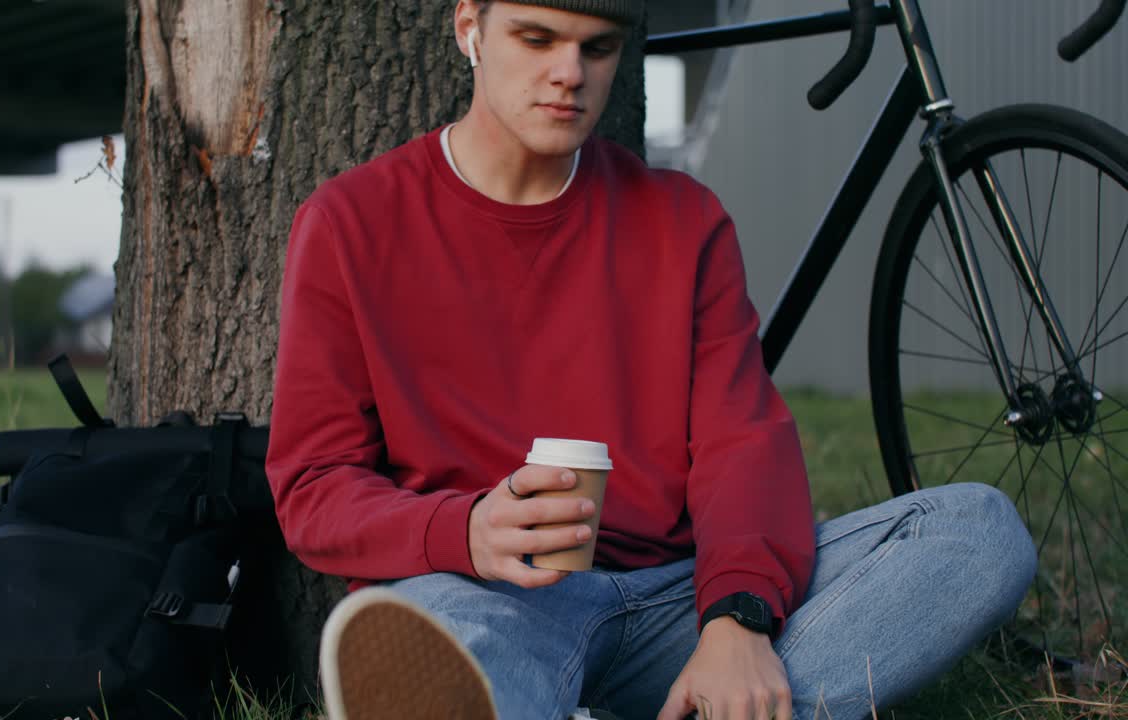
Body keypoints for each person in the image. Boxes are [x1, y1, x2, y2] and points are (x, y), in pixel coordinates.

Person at [265, 1, 1038, 718]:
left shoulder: (681, 220)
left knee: (974, 532)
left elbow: (743, 444)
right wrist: (464, 530)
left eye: (597, 48)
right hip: (488, 595)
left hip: (677, 598)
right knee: (444, 644)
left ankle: (695, 693)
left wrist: (737, 617)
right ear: (470, 25)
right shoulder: (350, 224)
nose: (570, 73)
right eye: (536, 39)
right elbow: (312, 485)